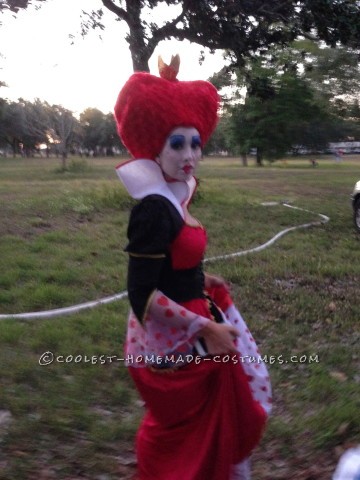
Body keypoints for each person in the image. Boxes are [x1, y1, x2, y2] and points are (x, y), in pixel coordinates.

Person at [114, 55, 272, 480]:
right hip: (172, 337)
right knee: (180, 426)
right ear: (156, 147)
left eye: (195, 143)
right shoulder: (152, 209)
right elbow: (142, 295)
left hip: (195, 317)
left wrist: (202, 280)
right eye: (177, 143)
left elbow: (173, 266)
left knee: (218, 411)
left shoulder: (175, 197)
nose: (189, 154)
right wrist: (207, 330)